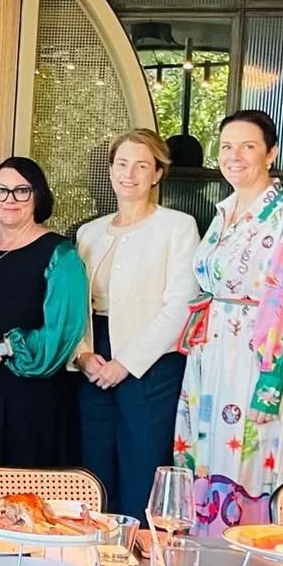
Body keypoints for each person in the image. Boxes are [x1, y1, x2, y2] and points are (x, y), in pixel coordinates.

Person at [175, 110, 283, 535]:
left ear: (271, 153)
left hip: (257, 362)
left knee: (252, 464)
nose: (234, 156)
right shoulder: (225, 214)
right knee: (209, 459)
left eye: (248, 146)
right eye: (226, 146)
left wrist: (269, 384)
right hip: (214, 356)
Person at [73, 130, 200, 520]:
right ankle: (96, 561)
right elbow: (74, 304)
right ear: (110, 170)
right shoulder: (88, 232)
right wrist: (83, 355)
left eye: (142, 165)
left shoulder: (177, 226)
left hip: (150, 364)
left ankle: (143, 564)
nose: (130, 174)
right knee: (94, 472)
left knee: (142, 466)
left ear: (157, 174)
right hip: (94, 360)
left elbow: (181, 305)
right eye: (122, 164)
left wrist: (125, 363)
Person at [0, 157, 88, 467]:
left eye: (21, 191)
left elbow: (61, 335)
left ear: (38, 196)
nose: (10, 199)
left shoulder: (61, 256)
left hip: (25, 402)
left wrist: (3, 348)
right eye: (1, 190)